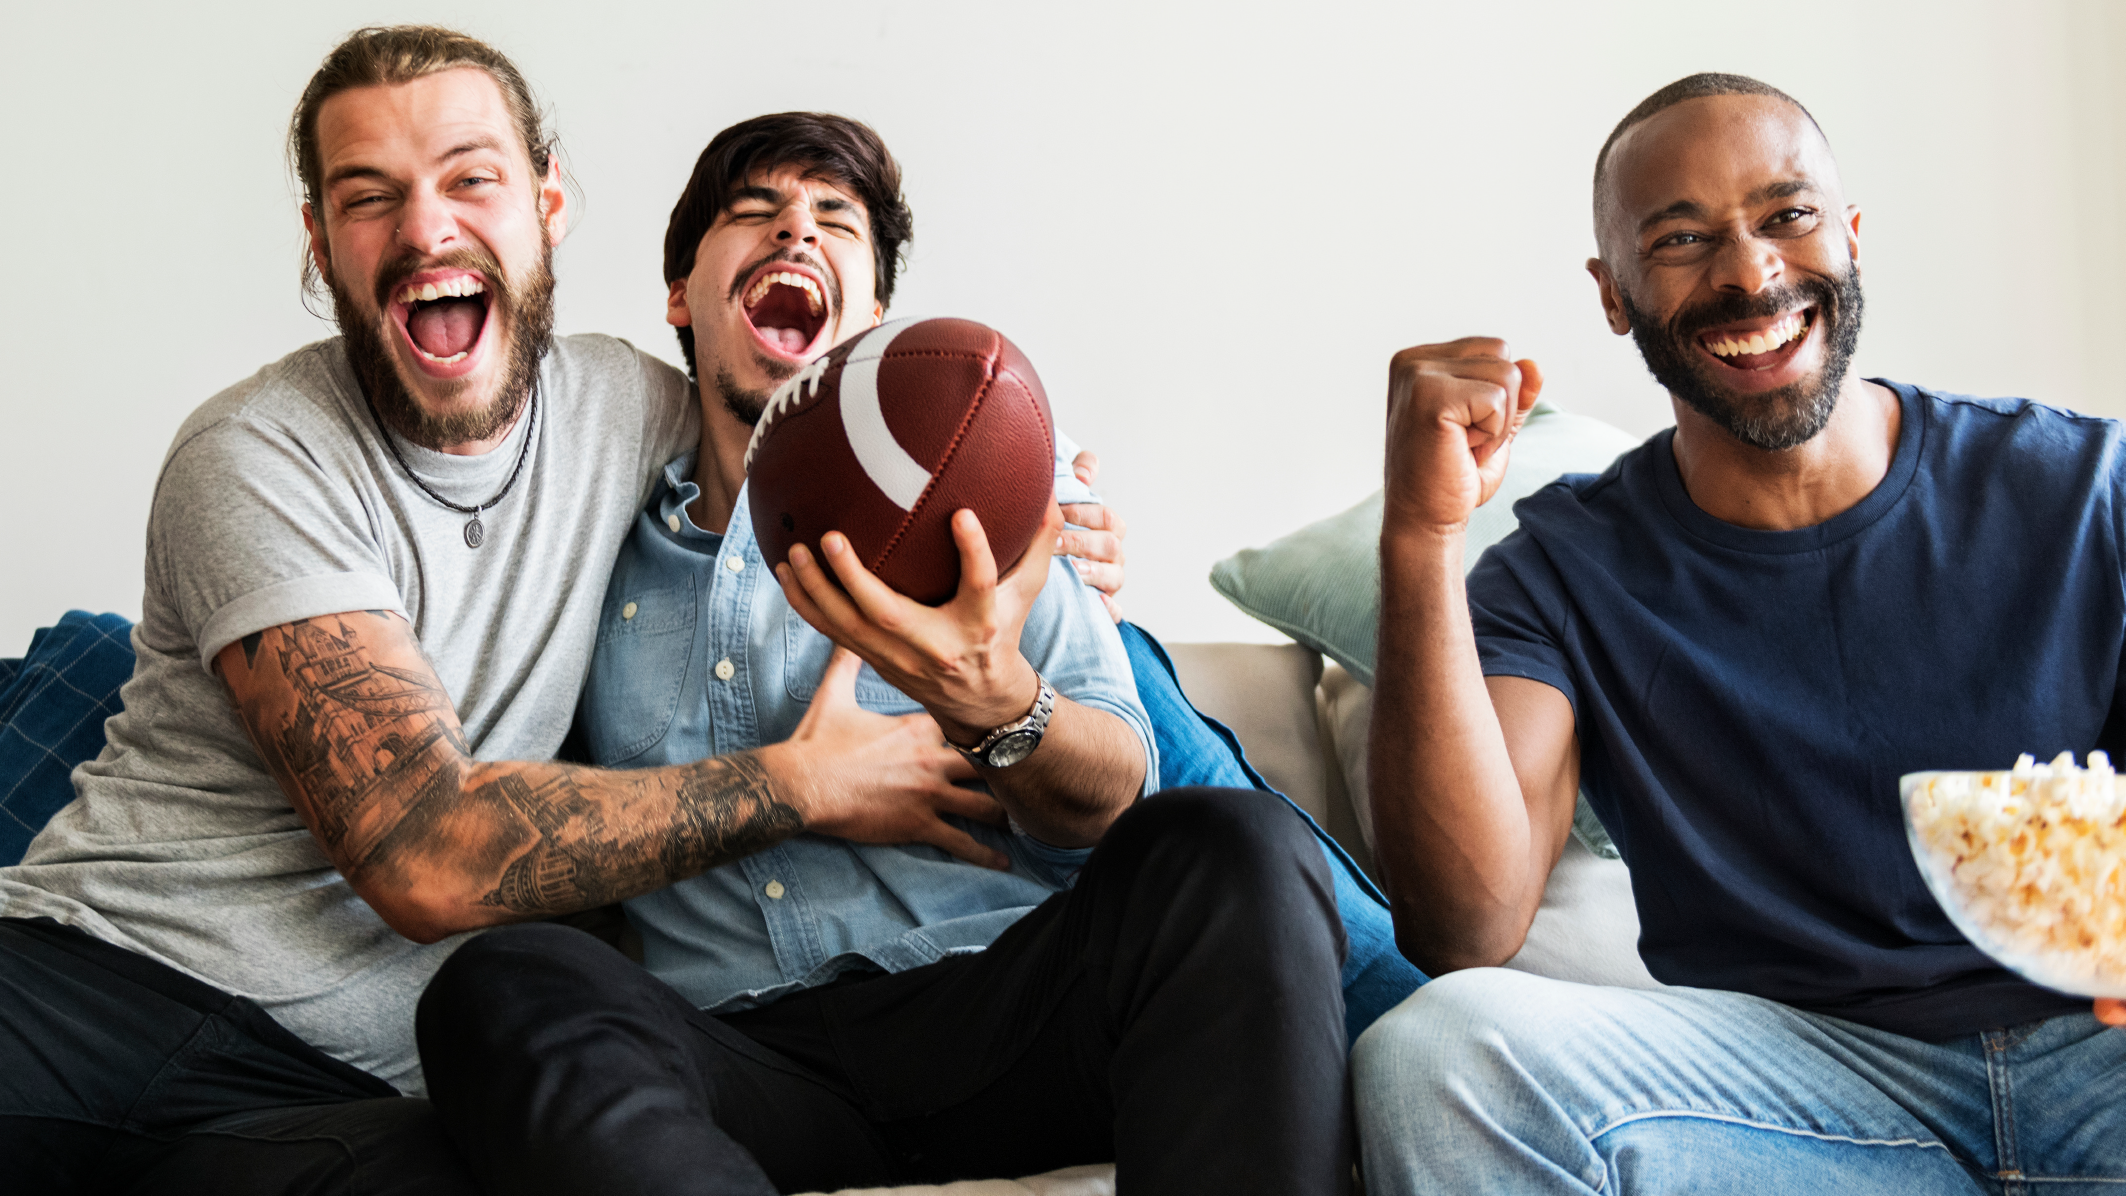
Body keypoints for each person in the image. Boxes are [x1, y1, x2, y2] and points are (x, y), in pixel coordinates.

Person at [0, 27, 1132, 1194]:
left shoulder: (635, 413)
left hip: (361, 1097)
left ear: (547, 206)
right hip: (102, 985)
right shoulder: (258, 454)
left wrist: (1037, 495)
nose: (426, 229)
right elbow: (421, 850)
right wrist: (808, 780)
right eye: (368, 196)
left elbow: (818, 427)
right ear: (320, 241)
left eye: (469, 178)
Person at [411, 112, 1354, 1196]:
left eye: (835, 222)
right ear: (680, 296)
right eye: (754, 212)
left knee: (1233, 841)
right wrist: (792, 786)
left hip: (1006, 1005)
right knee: (508, 983)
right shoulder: (584, 542)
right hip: (751, 1057)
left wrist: (996, 700)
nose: (795, 233)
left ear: (873, 320)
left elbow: (1109, 799)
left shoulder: (999, 507)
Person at [1351, 72, 2126, 1195]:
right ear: (1612, 294)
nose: (1748, 272)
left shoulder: (2084, 489)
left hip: (2094, 1050)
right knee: (1438, 1048)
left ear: (1850, 237)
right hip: (1799, 1089)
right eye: (1677, 239)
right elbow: (1461, 924)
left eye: (1785, 216)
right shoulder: (1562, 572)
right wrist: (1418, 537)